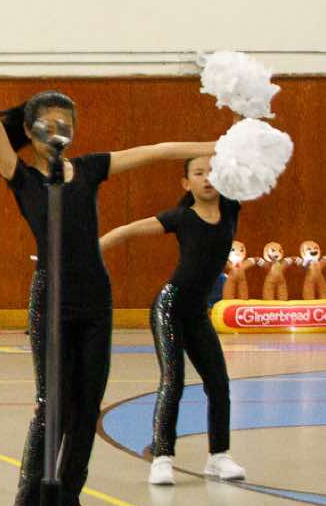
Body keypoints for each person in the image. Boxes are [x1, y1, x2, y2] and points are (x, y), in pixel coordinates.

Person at [0, 70, 218, 506]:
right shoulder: (21, 176)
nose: (58, 131)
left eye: (66, 123)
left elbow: (156, 150)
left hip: (97, 298)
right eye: (47, 123)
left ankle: (66, 505)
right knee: (52, 404)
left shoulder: (91, 168)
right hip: (51, 298)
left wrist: (220, 145)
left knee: (86, 406)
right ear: (30, 130)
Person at [100, 156, 250, 485]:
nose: (207, 178)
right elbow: (127, 230)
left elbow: (244, 160)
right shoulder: (181, 217)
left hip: (197, 313)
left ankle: (219, 457)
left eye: (212, 171)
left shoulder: (231, 209)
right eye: (199, 173)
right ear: (186, 183)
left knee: (219, 383)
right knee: (173, 381)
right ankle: (162, 457)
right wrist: (92, 248)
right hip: (168, 308)